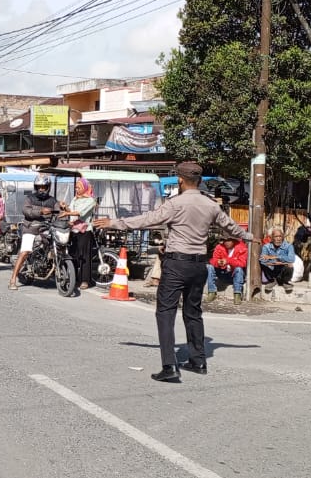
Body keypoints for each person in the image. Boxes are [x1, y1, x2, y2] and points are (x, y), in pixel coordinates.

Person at [93, 162, 252, 383]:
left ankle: (170, 366)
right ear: (200, 180)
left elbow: (147, 220)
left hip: (177, 264)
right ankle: (198, 361)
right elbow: (231, 226)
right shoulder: (211, 205)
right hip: (199, 266)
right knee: (193, 312)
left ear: (179, 180)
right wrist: (250, 237)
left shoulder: (175, 204)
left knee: (165, 313)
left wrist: (115, 222)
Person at [9, 175, 61, 291]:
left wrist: (65, 211)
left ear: (48, 187)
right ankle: (12, 279)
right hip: (30, 227)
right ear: (36, 187)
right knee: (25, 251)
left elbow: (59, 212)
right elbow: (26, 211)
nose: (41, 189)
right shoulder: (30, 198)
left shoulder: (52, 200)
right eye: (39, 187)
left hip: (46, 227)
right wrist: (41, 211)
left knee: (57, 244)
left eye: (44, 187)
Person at [68, 177, 99, 290]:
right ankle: (74, 278)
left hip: (85, 231)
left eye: (79, 187)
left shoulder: (90, 200)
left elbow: (80, 213)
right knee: (73, 254)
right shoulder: (75, 199)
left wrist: (69, 213)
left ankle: (85, 280)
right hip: (74, 230)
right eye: (76, 187)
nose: (76, 189)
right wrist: (64, 208)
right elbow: (70, 210)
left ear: (85, 188)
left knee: (84, 256)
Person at [206, 236, 247, 305]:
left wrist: (228, 261)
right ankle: (211, 292)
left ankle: (237, 294)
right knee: (210, 267)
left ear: (234, 240)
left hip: (234, 275)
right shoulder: (219, 247)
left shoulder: (242, 247)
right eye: (224, 240)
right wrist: (218, 262)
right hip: (223, 272)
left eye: (228, 240)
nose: (226, 242)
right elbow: (213, 260)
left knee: (239, 269)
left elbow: (242, 263)